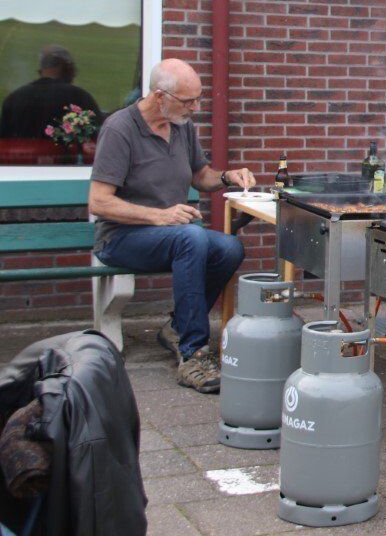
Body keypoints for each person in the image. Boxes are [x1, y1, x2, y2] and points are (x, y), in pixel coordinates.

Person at [88, 59, 256, 393]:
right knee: (192, 238)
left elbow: (200, 175)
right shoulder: (120, 129)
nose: (195, 108)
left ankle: (177, 327)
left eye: (198, 99)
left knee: (229, 248)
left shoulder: (181, 126)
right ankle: (193, 355)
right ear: (159, 96)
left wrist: (227, 176)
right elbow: (99, 202)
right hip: (121, 237)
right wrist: (160, 216)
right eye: (188, 101)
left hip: (172, 235)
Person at [0, 44, 101, 139]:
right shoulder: (81, 98)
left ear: (41, 70)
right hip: (64, 153)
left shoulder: (13, 99)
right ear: (68, 68)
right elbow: (97, 139)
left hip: (21, 153)